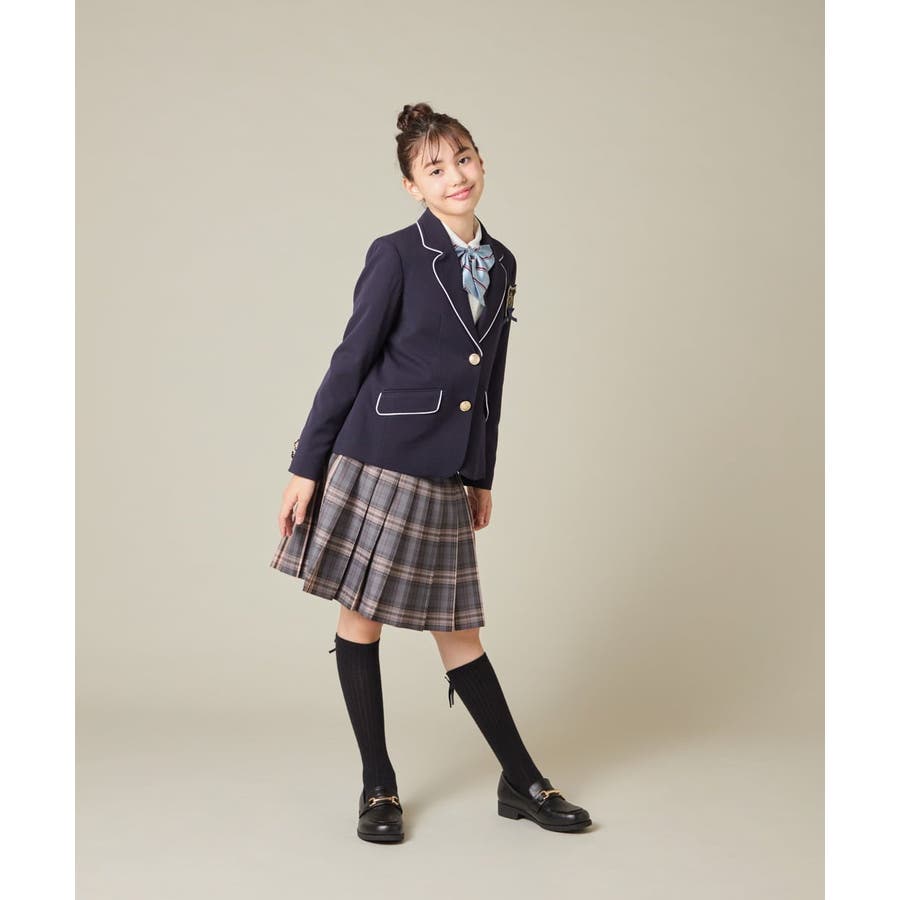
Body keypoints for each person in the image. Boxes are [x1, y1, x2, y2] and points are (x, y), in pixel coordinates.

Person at [270, 102, 591, 843]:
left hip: (447, 469)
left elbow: (491, 376)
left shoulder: (503, 262)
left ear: (481, 162)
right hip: (379, 459)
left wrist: (481, 473)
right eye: (435, 168)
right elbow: (350, 360)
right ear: (413, 186)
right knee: (361, 620)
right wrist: (305, 465)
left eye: (464, 159)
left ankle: (522, 781)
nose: (455, 176)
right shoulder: (395, 254)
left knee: (460, 631)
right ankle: (377, 785)